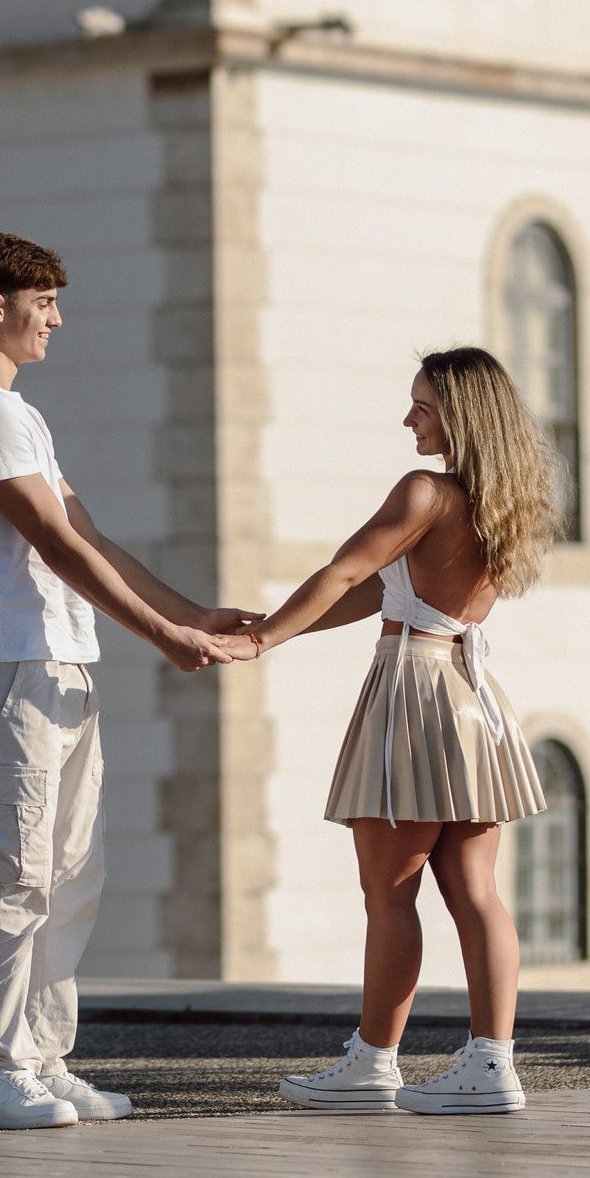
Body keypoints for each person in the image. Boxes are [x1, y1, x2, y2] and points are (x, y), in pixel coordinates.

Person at [0, 230, 253, 1131]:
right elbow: (56, 545)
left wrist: (194, 613)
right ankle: (1, 1074)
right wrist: (164, 636)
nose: (57, 320)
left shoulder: (17, 414)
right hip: (13, 665)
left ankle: (43, 1058)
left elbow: (91, 536)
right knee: (15, 876)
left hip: (60, 663)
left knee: (73, 873)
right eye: (45, 303)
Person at [221, 346, 558, 1115]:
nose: (409, 419)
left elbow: (345, 572)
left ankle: (374, 1062)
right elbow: (379, 592)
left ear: (462, 417)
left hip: (412, 693)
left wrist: (261, 639)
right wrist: (276, 625)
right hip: (471, 696)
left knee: (389, 891)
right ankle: (493, 1062)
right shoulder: (504, 504)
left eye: (424, 407)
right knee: (477, 891)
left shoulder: (423, 492)